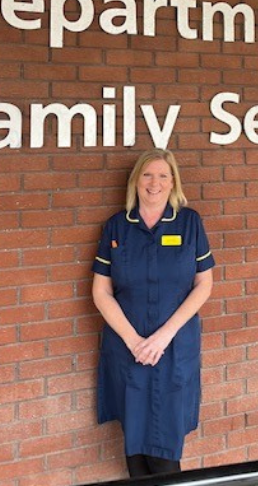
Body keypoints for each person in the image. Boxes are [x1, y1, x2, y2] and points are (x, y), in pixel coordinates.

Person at [91, 149, 216, 477]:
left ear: (172, 182)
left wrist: (163, 335)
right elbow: (101, 291)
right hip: (129, 351)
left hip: (173, 349)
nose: (154, 182)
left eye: (162, 175)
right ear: (136, 181)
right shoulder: (117, 227)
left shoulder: (189, 223)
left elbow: (204, 284)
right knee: (135, 444)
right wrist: (134, 342)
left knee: (165, 446)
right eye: (147, 175)